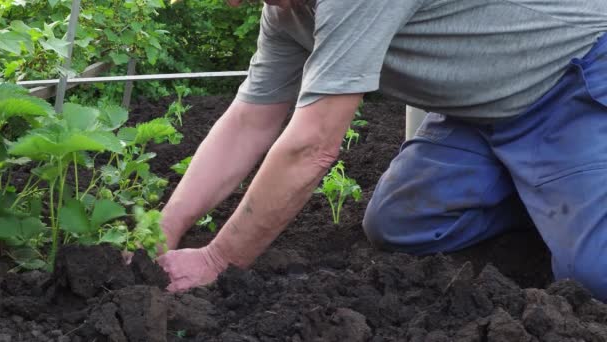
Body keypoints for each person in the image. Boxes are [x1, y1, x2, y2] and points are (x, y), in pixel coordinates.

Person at [156, 0, 607, 300]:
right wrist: (165, 227)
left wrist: (219, 260)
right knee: (402, 226)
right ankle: (551, 195)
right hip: (481, 112)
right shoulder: (288, 12)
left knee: (595, 275)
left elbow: (312, 146)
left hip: (574, 79)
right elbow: (249, 121)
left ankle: (567, 193)